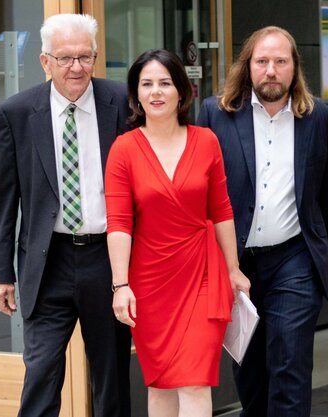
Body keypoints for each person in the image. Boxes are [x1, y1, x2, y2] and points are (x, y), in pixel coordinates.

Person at [0, 13, 131, 417]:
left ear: (96, 57)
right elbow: (4, 199)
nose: (76, 67)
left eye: (85, 57)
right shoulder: (16, 113)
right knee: (41, 372)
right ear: (44, 61)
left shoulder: (120, 102)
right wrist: (2, 272)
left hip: (107, 260)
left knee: (111, 378)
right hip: (47, 261)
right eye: (65, 58)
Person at [196, 26, 328, 417]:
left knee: (290, 362)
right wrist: (221, 264)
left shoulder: (320, 118)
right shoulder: (216, 113)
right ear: (248, 66)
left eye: (280, 61)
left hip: (294, 260)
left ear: (294, 67)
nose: (271, 70)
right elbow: (200, 190)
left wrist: (313, 253)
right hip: (234, 263)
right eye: (262, 61)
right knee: (250, 373)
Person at [105, 49, 250, 416]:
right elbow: (119, 223)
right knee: (161, 385)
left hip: (202, 274)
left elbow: (221, 211)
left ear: (182, 91)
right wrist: (120, 285)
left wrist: (233, 269)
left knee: (195, 380)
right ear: (136, 94)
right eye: (147, 84)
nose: (156, 92)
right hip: (149, 283)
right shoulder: (124, 149)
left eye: (165, 83)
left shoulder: (206, 141)